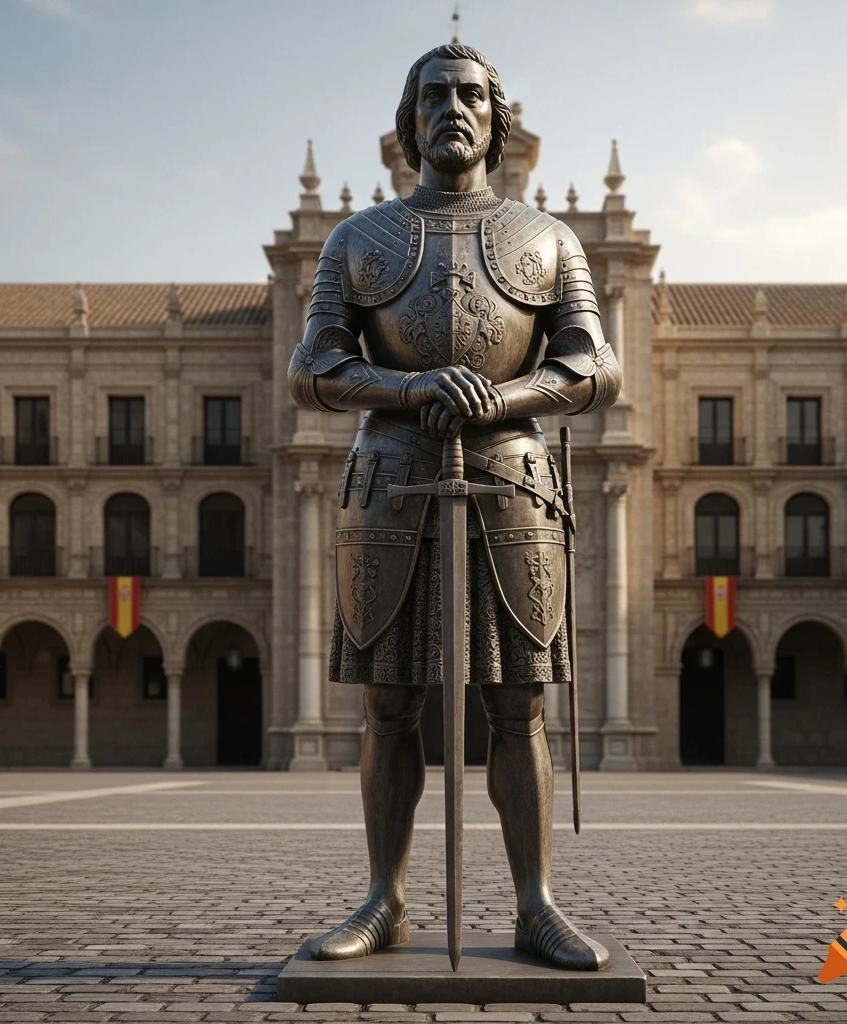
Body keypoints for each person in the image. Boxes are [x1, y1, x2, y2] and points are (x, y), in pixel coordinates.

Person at [287, 42, 621, 970]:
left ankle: (535, 904)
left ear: (497, 119)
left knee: (517, 703)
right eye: (433, 95)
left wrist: (502, 397)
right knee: (389, 701)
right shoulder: (357, 240)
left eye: (471, 94)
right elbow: (311, 367)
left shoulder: (551, 241)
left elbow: (595, 362)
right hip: (388, 477)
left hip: (512, 480)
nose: (452, 108)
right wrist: (413, 386)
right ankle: (384, 901)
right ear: (409, 121)